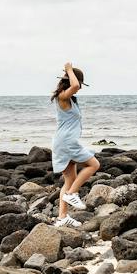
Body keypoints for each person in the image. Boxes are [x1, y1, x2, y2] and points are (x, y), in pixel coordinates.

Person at [51, 62, 99, 224]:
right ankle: (72, 194)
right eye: (79, 84)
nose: (80, 88)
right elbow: (75, 84)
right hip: (66, 142)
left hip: (64, 142)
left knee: (70, 180)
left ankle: (62, 217)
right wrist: (70, 70)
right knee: (93, 165)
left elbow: (76, 85)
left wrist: (71, 73)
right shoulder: (63, 97)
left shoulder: (69, 99)